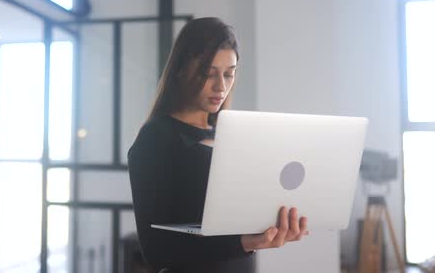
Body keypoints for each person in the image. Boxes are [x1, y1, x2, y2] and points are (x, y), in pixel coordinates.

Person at [127, 17, 309, 273]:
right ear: (181, 69)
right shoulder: (156, 139)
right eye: (208, 73)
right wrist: (245, 242)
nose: (220, 86)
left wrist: (276, 224)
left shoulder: (232, 135)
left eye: (229, 74)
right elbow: (156, 250)